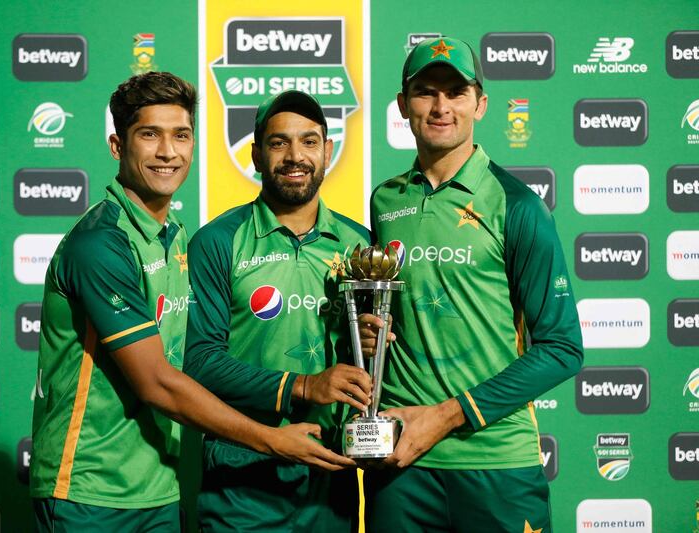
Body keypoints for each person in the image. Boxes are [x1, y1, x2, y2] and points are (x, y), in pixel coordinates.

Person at [30, 73, 355, 533]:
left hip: (160, 486)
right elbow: (159, 382)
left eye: (181, 135)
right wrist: (273, 436)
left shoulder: (175, 237)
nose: (168, 152)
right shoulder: (100, 243)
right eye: (149, 135)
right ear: (116, 146)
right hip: (88, 488)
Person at [359, 37, 584, 532]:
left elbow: (563, 347)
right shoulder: (384, 201)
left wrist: (445, 416)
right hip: (402, 464)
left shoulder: (517, 204)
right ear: (402, 105)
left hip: (496, 462)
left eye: (456, 92)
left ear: (479, 104)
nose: (441, 107)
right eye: (425, 92)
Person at [184, 90, 372, 532]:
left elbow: (369, 358)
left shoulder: (360, 244)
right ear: (255, 154)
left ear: (327, 151)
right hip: (241, 481)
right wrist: (304, 386)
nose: (295, 156)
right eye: (278, 142)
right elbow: (199, 361)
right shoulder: (216, 241)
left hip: (330, 478)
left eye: (309, 142)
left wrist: (369, 339)